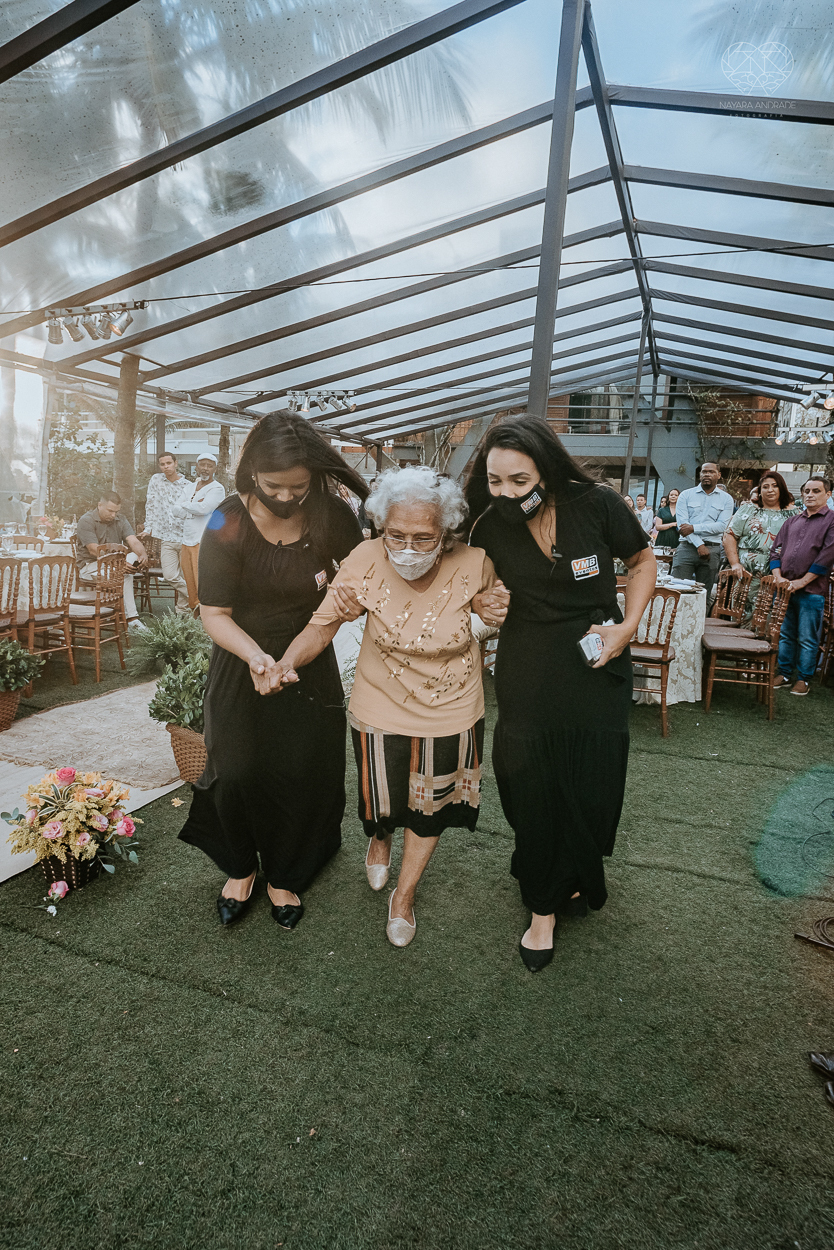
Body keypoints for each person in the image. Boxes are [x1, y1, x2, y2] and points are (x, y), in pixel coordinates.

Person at [265, 466, 506, 949]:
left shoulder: (476, 562)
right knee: (381, 799)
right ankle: (379, 837)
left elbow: (490, 616)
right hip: (380, 702)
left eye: (424, 538)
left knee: (429, 808)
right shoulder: (363, 559)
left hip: (452, 706)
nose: (409, 549)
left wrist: (491, 612)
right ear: (380, 528)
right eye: (397, 535)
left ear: (446, 533)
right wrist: (286, 662)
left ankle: (405, 894)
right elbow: (322, 624)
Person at [465, 417, 656, 972]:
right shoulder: (487, 524)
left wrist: (628, 626)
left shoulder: (596, 503)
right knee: (530, 779)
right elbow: (477, 589)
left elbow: (641, 560)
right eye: (495, 481)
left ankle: (573, 871)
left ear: (545, 468)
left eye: (518, 481)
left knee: (593, 778)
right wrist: (483, 604)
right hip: (528, 663)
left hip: (597, 660)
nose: (505, 493)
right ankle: (541, 908)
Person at [178, 413, 366, 928]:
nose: (286, 497)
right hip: (242, 661)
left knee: (302, 771)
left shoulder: (334, 517)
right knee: (236, 769)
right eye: (273, 486)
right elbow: (214, 613)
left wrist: (343, 609)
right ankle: (241, 868)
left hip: (310, 660)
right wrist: (259, 659)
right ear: (251, 473)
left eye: (299, 487)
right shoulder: (226, 519)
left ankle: (285, 872)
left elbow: (343, 601)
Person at [771, 476, 834, 696]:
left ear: (828, 494)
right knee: (786, 634)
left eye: (816, 491)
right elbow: (775, 550)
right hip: (785, 588)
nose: (809, 495)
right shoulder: (792, 521)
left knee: (808, 637)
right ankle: (785, 673)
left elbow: (826, 557)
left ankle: (804, 678)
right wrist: (778, 576)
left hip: (811, 591)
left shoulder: (831, 521)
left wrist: (801, 582)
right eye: (806, 491)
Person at [722, 471, 796, 621]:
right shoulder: (748, 510)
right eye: (765, 487)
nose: (770, 490)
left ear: (782, 489)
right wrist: (735, 563)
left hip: (777, 573)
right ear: (760, 491)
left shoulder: (795, 514)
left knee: (771, 615)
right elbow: (729, 535)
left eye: (775, 486)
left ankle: (766, 644)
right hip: (746, 572)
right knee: (741, 613)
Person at [75, 491, 148, 632]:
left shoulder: (120, 519)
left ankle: (123, 613)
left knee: (133, 557)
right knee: (124, 574)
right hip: (90, 566)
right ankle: (131, 619)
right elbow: (93, 549)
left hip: (112, 564)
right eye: (110, 511)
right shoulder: (86, 520)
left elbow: (132, 540)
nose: (113, 515)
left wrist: (142, 554)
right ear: (99, 505)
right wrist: (118, 564)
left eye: (116, 511)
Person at [171, 451, 226, 611]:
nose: (205, 469)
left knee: (202, 584)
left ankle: (207, 625)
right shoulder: (189, 487)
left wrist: (186, 504)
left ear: (215, 468)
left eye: (210, 466)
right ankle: (196, 624)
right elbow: (175, 510)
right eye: (202, 465)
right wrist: (193, 505)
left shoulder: (217, 488)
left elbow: (204, 508)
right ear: (196, 466)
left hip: (203, 542)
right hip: (186, 541)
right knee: (190, 584)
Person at [670, 463, 734, 596]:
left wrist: (693, 527)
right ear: (700, 475)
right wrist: (699, 545)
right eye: (704, 472)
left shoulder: (727, 499)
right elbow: (683, 526)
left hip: (712, 550)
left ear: (719, 475)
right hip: (686, 548)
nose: (707, 474)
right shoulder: (685, 495)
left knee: (703, 594)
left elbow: (722, 526)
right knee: (676, 591)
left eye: (711, 472)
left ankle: (701, 617)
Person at [139, 451, 191, 613]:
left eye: (168, 463)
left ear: (175, 463)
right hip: (166, 537)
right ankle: (196, 597)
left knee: (185, 577)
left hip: (185, 537)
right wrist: (148, 527)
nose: (166, 467)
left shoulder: (188, 486)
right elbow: (151, 504)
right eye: (162, 464)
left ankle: (182, 614)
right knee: (169, 576)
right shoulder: (156, 480)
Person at [654, 487, 680, 551]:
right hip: (663, 537)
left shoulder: (682, 510)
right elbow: (658, 527)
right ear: (668, 497)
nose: (673, 496)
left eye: (676, 495)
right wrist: (672, 524)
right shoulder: (662, 510)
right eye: (671, 495)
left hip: (677, 537)